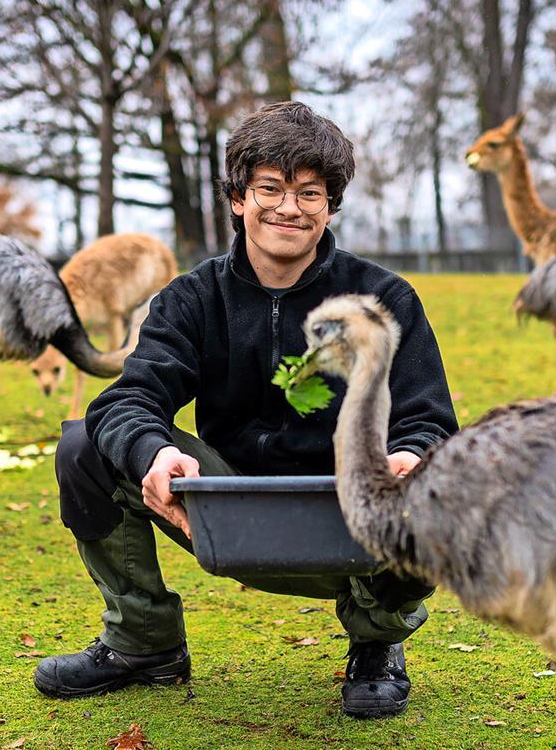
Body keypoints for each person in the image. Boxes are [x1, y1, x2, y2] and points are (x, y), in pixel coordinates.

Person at [33, 101, 458, 719]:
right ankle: (143, 642)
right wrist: (155, 454)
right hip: (226, 506)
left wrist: (410, 456)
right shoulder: (191, 298)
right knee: (84, 446)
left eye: (310, 192)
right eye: (271, 188)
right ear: (238, 198)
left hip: (347, 512)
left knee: (437, 480)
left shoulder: (386, 299)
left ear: (331, 206)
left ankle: (376, 639)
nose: (290, 207)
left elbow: (429, 420)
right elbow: (129, 398)